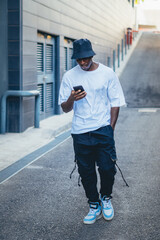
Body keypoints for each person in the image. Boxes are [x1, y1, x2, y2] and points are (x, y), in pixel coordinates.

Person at [58, 39, 126, 224]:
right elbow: (65, 108)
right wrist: (72, 98)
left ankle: (106, 198)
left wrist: (110, 129)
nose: (82, 62)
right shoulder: (69, 76)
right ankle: (94, 204)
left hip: (103, 129)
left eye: (85, 58)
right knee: (86, 171)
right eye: (78, 59)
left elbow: (115, 101)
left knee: (107, 168)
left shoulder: (107, 73)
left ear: (92, 54)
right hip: (80, 132)